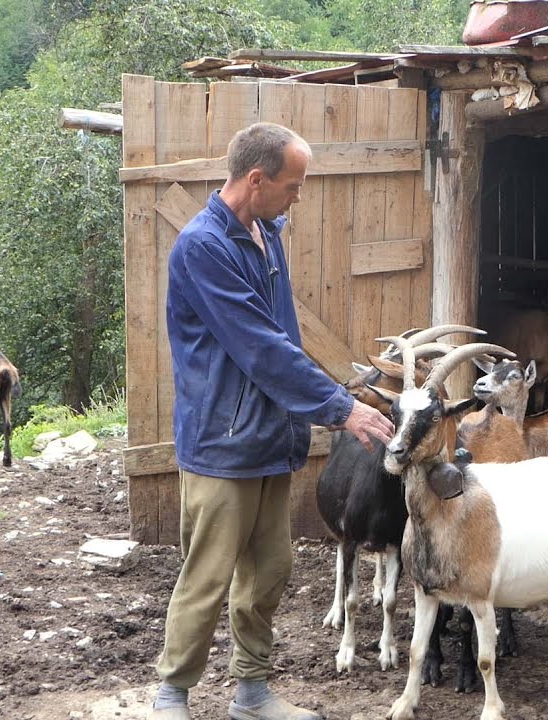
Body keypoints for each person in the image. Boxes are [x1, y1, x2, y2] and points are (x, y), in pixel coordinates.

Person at [150, 122, 395, 720]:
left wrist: (321, 403)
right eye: (294, 184)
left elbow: (282, 341)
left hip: (269, 437)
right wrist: (341, 407)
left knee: (269, 572)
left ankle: (252, 695)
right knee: (207, 578)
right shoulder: (204, 247)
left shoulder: (266, 232)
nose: (299, 196)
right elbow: (259, 347)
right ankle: (171, 696)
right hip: (222, 442)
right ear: (256, 179)